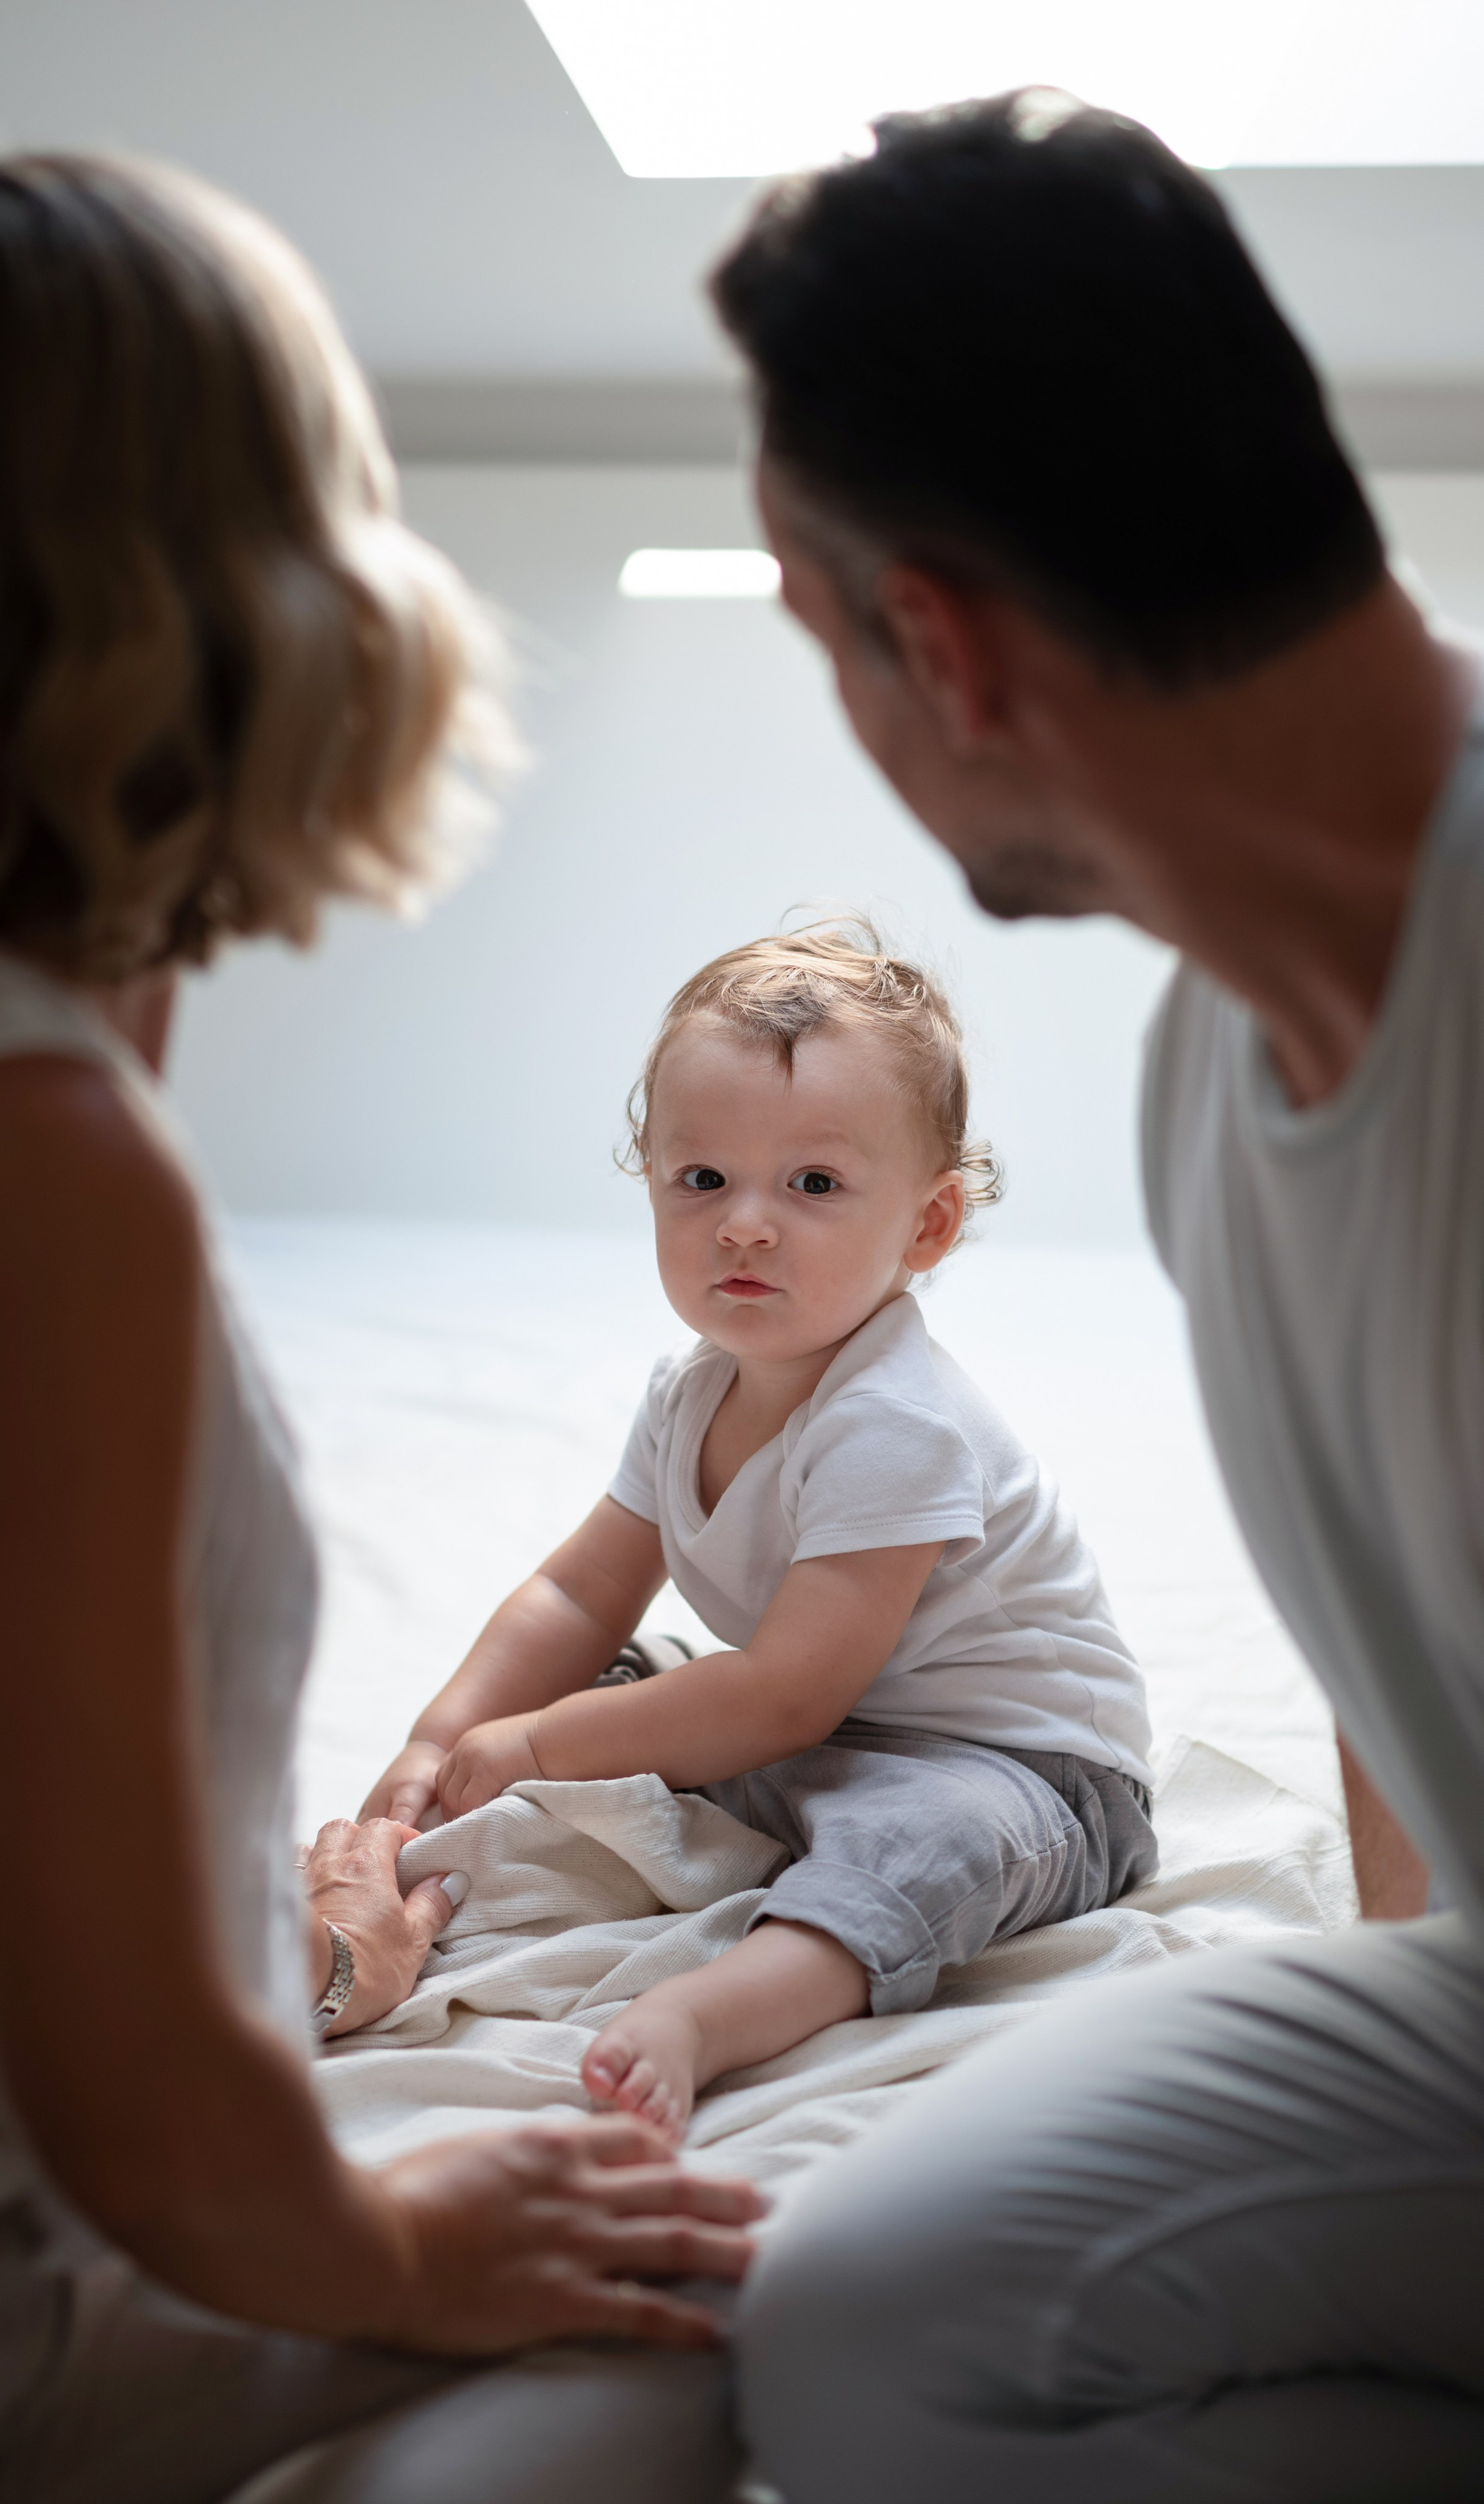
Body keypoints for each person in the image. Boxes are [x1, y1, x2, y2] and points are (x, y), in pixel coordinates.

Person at [0, 153, 763, 2504]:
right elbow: (146, 2118)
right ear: (262, 606)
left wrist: (301, 1959)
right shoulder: (22, 1164)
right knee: (755, 2324)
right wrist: (392, 2228)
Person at [706, 89, 1484, 2501]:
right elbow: (1401, 1686)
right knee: (865, 2330)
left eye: (821, 635)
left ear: (931, 640)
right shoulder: (1207, 1068)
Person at [364, 924, 1156, 2134]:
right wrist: (445, 1740)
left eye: (815, 1185)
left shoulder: (898, 1421)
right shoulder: (692, 1393)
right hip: (834, 1726)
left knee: (916, 1849)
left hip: (1015, 1769)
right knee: (634, 1709)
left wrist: (536, 1744)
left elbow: (786, 1694)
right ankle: (661, 1734)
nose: (745, 1224)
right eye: (703, 1181)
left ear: (930, 1227)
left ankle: (714, 2014)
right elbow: (578, 1595)